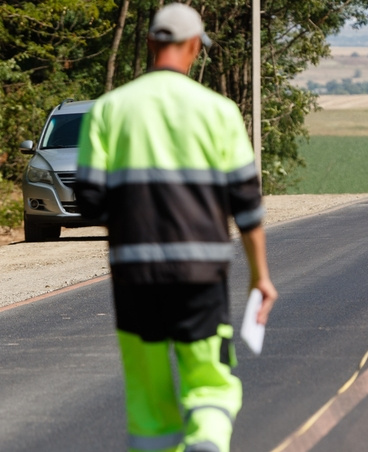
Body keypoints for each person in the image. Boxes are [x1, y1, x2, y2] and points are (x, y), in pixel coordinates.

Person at [75, 3, 278, 451]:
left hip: (134, 275)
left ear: (150, 43)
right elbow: (247, 206)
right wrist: (260, 276)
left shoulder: (108, 110)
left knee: (148, 397)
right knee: (209, 382)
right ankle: (206, 437)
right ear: (192, 47)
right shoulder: (219, 111)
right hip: (201, 274)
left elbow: (89, 202)